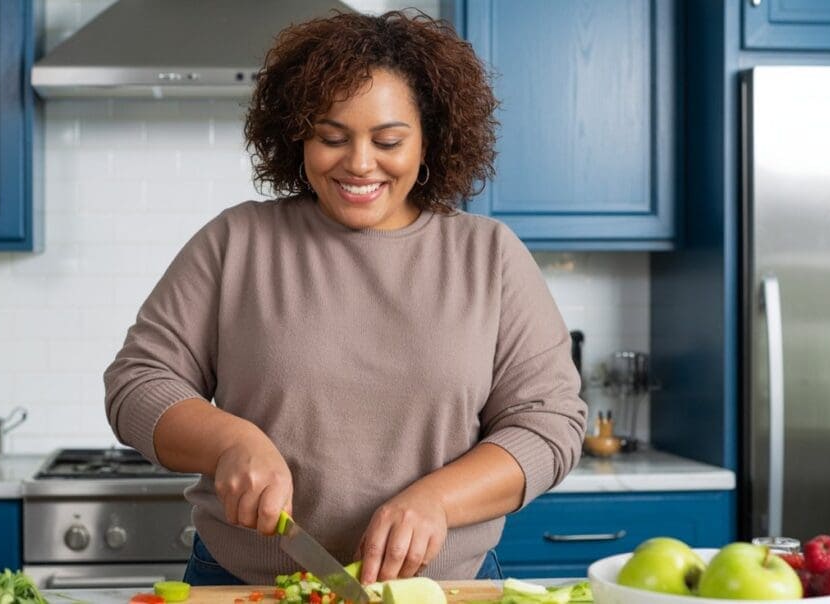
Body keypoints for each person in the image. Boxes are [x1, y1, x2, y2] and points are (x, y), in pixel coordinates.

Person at [104, 10, 587, 587]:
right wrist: (229, 442)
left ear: (429, 138)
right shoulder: (237, 243)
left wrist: (437, 501)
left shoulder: (489, 256)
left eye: (388, 140)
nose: (359, 163)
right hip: (244, 583)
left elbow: (549, 423)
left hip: (437, 589)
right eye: (332, 137)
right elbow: (137, 382)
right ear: (297, 135)